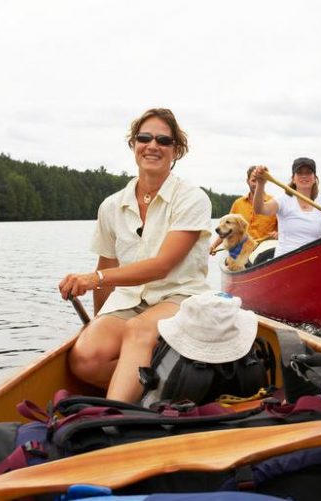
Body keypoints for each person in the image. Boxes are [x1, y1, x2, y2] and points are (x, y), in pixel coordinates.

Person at [58, 108, 212, 403]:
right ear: (133, 144)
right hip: (129, 301)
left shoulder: (193, 198)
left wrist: (95, 279)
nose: (152, 145)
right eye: (144, 138)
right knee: (85, 359)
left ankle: (113, 420)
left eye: (163, 141)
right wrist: (97, 319)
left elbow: (162, 266)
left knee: (137, 331)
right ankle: (161, 390)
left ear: (176, 150)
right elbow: (106, 268)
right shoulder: (111, 206)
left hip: (179, 297)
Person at [252, 157, 321, 258]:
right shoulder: (283, 199)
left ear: (315, 178)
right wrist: (260, 184)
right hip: (285, 260)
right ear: (293, 179)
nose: (304, 176)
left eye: (308, 173)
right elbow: (260, 209)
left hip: (311, 260)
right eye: (300, 173)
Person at [209, 166, 278, 255]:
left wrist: (278, 233)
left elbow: (285, 230)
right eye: (253, 180)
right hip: (242, 251)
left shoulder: (274, 202)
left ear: (264, 181)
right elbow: (226, 230)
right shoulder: (238, 204)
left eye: (259, 180)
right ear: (247, 181)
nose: (256, 184)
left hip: (266, 251)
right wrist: (213, 246)